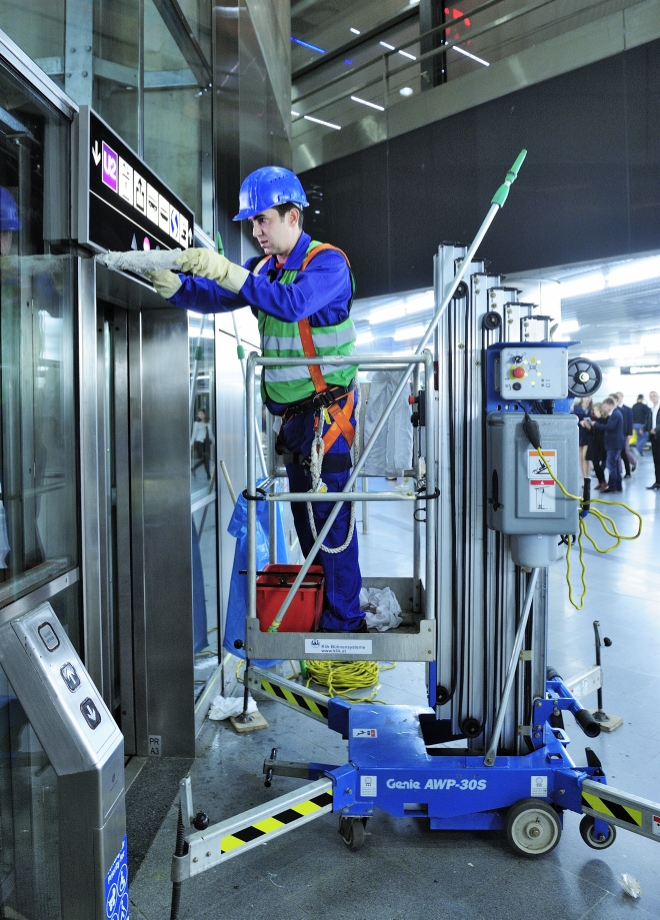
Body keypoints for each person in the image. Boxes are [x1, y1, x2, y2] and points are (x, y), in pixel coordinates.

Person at [147, 166, 365, 632]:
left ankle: (345, 625)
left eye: (263, 220)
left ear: (293, 216)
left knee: (332, 529)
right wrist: (179, 289)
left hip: (328, 422)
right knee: (309, 528)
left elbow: (290, 304)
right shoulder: (265, 270)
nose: (256, 231)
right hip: (291, 425)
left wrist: (228, 271)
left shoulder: (327, 265)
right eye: (252, 223)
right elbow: (216, 296)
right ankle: (327, 614)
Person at [581, 396, 624, 493]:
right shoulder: (615, 414)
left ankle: (612, 486)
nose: (604, 408)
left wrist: (595, 424)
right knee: (615, 465)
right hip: (614, 443)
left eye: (605, 406)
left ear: (610, 405)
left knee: (611, 465)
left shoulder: (615, 414)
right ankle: (617, 485)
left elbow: (610, 427)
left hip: (614, 444)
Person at [614, 392, 636, 476]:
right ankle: (620, 470)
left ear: (622, 397)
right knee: (619, 454)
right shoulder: (614, 408)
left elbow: (629, 422)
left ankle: (633, 462)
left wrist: (629, 433)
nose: (618, 398)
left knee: (625, 451)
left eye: (619, 396)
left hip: (624, 433)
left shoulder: (627, 409)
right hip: (617, 434)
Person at [570, 396, 592, 482]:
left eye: (589, 397)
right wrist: (580, 422)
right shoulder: (576, 407)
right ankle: (584, 477)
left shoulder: (592, 408)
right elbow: (572, 419)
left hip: (588, 434)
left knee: (585, 456)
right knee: (581, 458)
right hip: (579, 434)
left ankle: (586, 477)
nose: (587, 399)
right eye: (586, 397)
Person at [191, 409, 215, 479]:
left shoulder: (209, 423)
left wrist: (214, 442)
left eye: (201, 413)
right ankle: (208, 475)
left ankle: (193, 468)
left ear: (204, 414)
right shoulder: (197, 424)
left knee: (206, 458)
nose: (200, 415)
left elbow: (211, 434)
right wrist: (191, 443)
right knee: (206, 458)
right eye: (199, 414)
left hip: (207, 443)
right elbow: (194, 434)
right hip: (200, 443)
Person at [647, 390, 660, 490]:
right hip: (654, 438)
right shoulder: (651, 409)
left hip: (658, 435)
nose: (653, 398)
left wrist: (656, 429)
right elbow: (648, 421)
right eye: (651, 396)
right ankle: (657, 482)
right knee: (656, 460)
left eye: (654, 396)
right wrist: (644, 428)